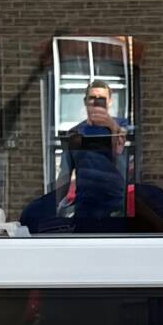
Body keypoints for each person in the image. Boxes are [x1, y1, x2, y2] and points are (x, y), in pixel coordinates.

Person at [54, 81, 130, 229]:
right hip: (85, 209)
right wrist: (52, 205)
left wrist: (111, 125)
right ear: (85, 101)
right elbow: (65, 175)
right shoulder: (75, 133)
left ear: (110, 101)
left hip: (116, 207)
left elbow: (123, 151)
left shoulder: (122, 125)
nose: (96, 102)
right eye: (92, 98)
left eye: (101, 99)